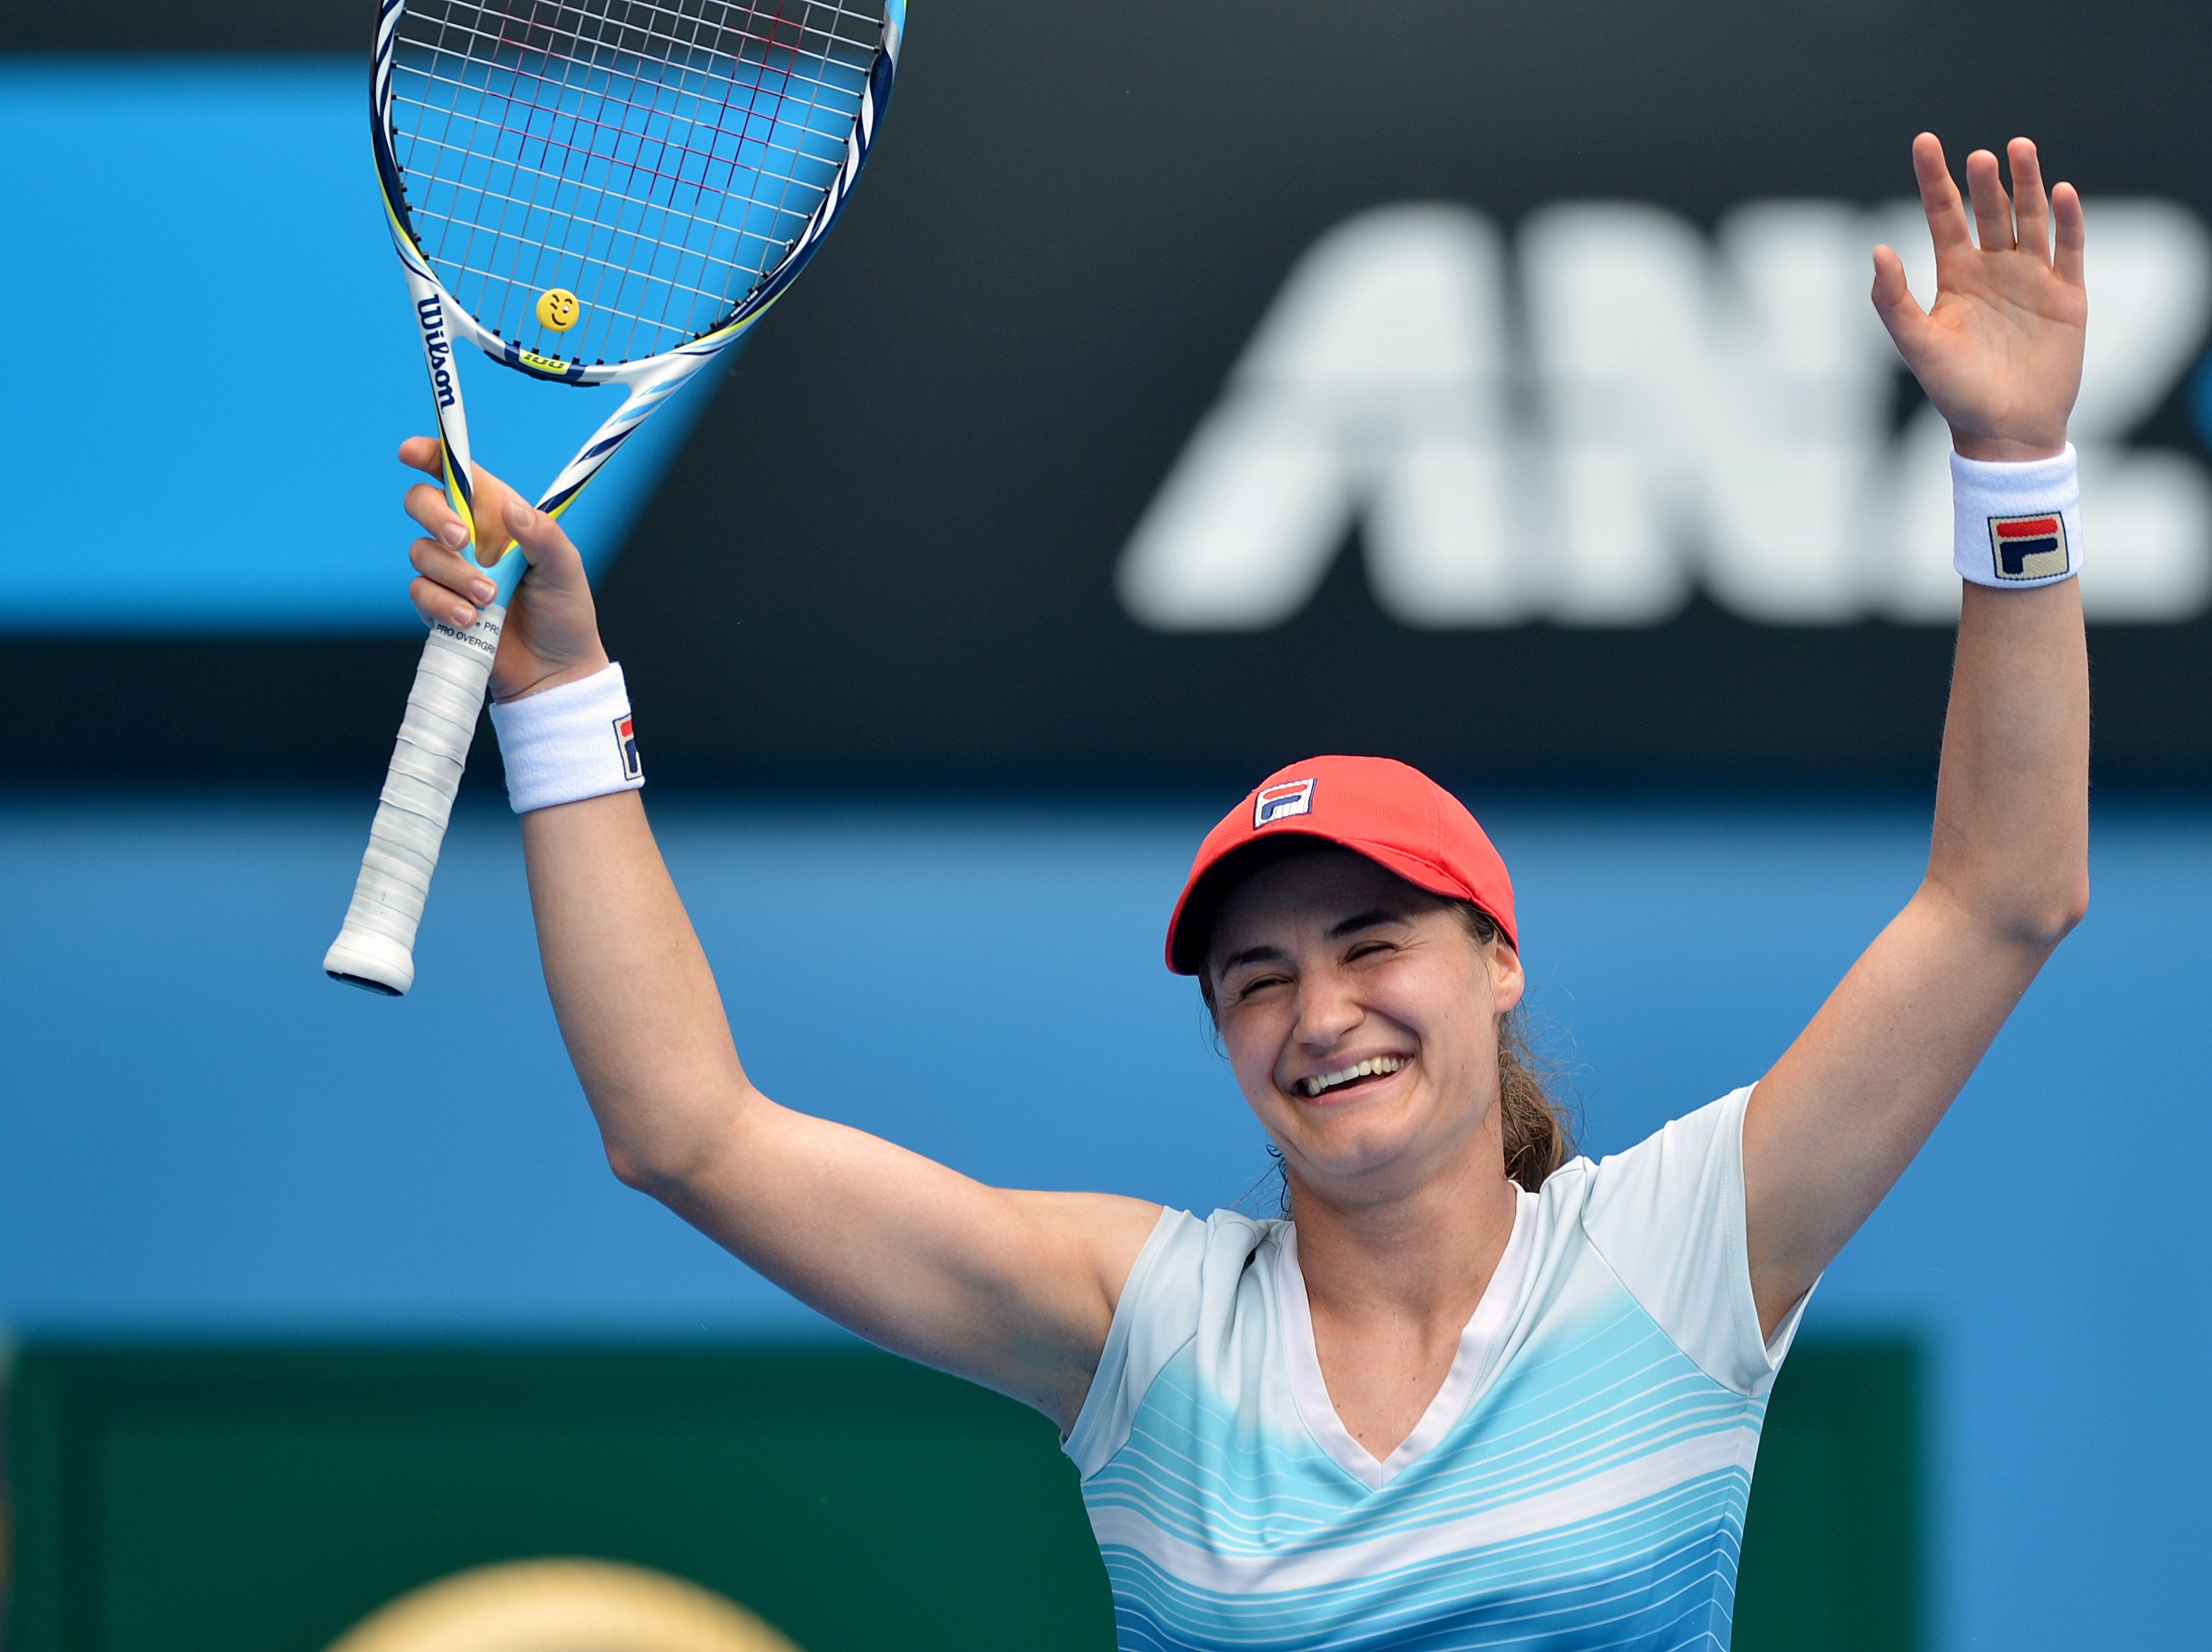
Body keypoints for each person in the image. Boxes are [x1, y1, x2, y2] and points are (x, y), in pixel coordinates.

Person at [394, 133, 2090, 1649]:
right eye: (1255, 977)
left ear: (1495, 961)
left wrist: (2010, 467)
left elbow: (1999, 895)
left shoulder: (1680, 1252)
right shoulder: (1139, 1328)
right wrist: (555, 699)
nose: (1318, 1012)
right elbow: (682, 1131)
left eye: (1370, 942)